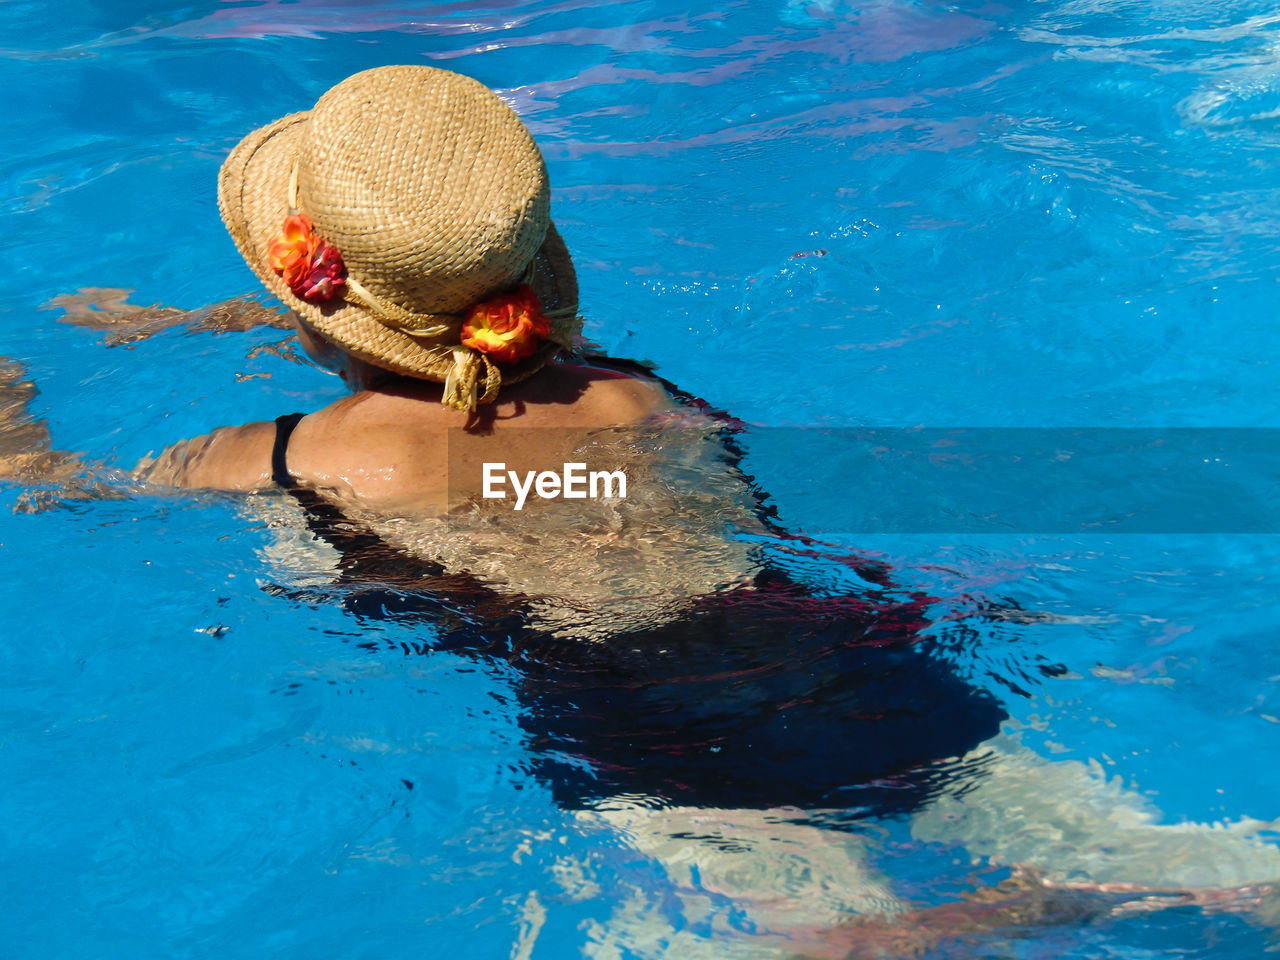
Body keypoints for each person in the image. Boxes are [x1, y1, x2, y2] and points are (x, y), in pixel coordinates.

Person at [13, 63, 1280, 954]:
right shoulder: (626, 391)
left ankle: (929, 932)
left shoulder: (292, 457)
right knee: (1169, 855)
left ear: (315, 308)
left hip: (641, 732)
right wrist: (223, 322)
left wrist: (16, 431)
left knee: (808, 936)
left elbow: (71, 500)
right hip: (845, 656)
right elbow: (491, 402)